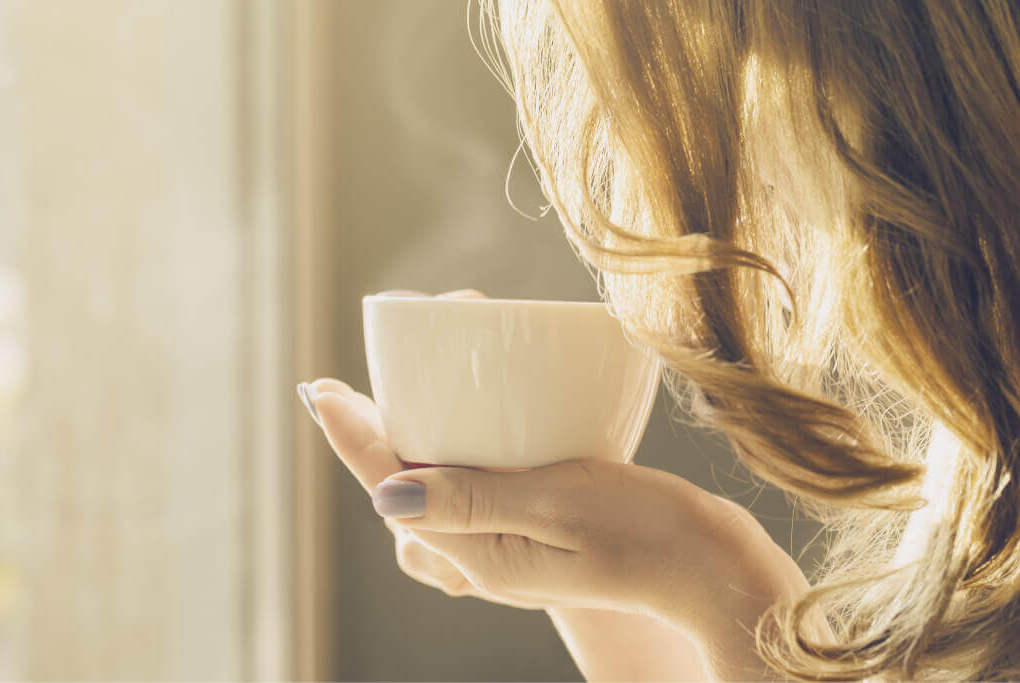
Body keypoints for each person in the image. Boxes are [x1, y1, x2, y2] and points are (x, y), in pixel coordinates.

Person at [297, 0, 1020, 679]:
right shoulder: (983, 460)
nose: (751, 177)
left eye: (731, 78)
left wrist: (724, 583)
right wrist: (597, 573)